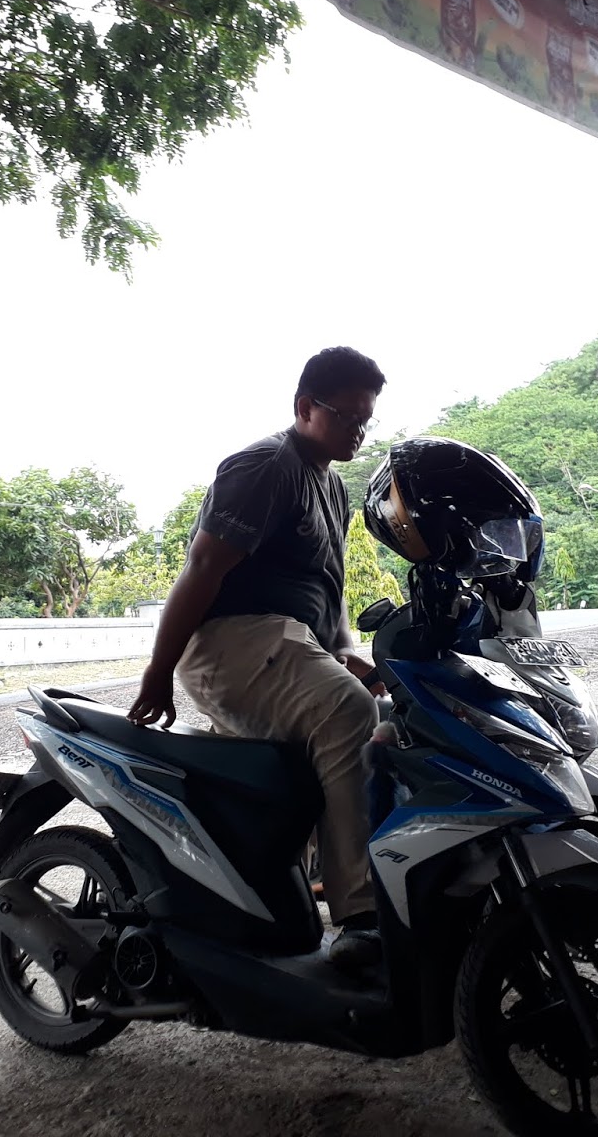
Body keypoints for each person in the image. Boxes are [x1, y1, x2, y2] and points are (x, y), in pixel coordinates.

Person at [128, 346, 387, 969]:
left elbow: (326, 591)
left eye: (365, 419)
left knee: (381, 722)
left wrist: (345, 654)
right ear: (304, 407)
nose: (357, 429)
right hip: (228, 640)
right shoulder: (264, 466)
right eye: (347, 416)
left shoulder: (331, 485)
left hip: (283, 642)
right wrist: (158, 672)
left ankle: (270, 909)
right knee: (347, 714)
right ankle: (359, 915)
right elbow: (202, 569)